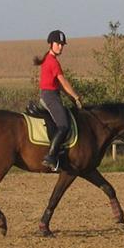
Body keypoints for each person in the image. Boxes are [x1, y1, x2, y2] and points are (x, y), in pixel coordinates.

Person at [34, 29, 82, 171]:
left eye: (62, 44)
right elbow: (64, 82)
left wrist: (70, 97)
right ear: (51, 44)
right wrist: (76, 97)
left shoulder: (49, 60)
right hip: (50, 96)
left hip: (52, 94)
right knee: (64, 125)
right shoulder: (53, 62)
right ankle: (51, 156)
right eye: (58, 44)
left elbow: (59, 85)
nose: (60, 47)